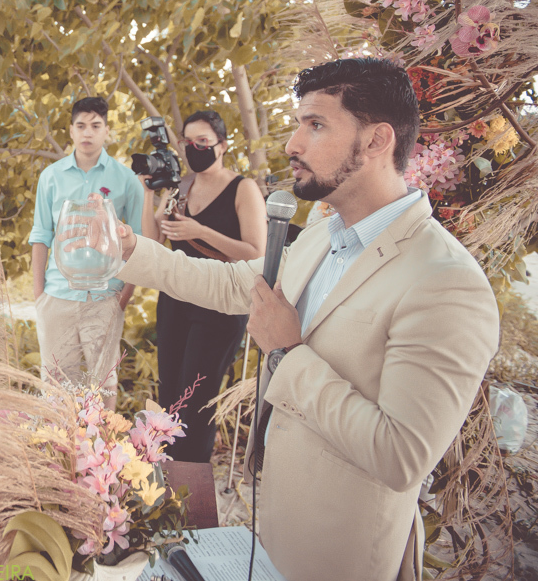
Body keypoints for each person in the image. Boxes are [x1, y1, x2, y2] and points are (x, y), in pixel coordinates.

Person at [104, 58, 499, 581]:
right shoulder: (319, 236)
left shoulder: (446, 281)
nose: (293, 143)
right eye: (298, 124)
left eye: (315, 125)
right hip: (271, 538)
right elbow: (233, 284)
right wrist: (130, 248)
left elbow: (401, 455)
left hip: (338, 558)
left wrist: (288, 355)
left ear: (377, 140)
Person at [139, 110, 266, 462]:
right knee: (170, 397)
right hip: (175, 300)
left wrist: (201, 231)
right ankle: (164, 480)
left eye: (203, 142)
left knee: (196, 402)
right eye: (188, 142)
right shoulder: (181, 187)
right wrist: (148, 194)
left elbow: (257, 253)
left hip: (219, 304)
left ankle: (192, 486)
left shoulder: (243, 188)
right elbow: (152, 241)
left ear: (222, 146)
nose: (194, 149)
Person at [28, 96, 143, 407]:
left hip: (105, 298)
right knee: (56, 385)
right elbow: (40, 237)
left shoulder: (127, 180)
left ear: (106, 130)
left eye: (95, 125)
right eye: (80, 126)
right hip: (57, 296)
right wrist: (39, 296)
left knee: (103, 385)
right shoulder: (51, 177)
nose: (87, 132)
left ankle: (104, 441)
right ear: (71, 131)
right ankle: (59, 440)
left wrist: (122, 299)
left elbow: (138, 244)